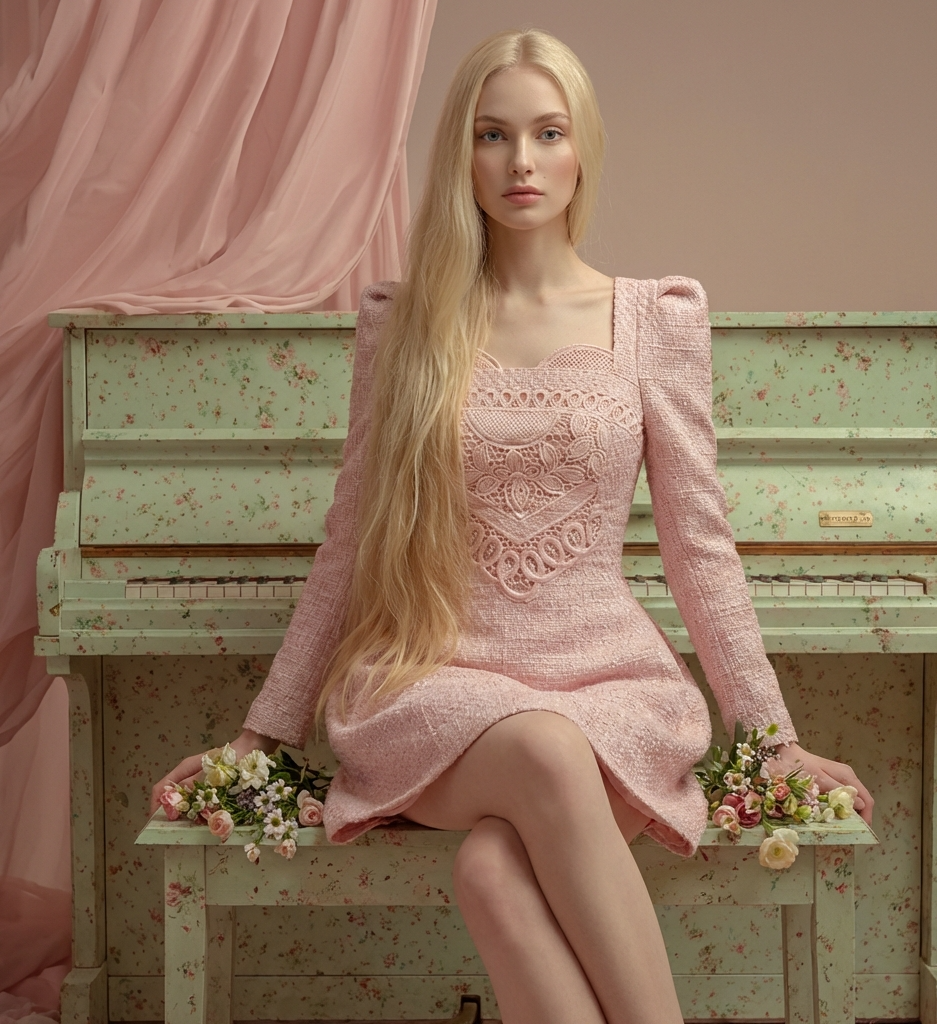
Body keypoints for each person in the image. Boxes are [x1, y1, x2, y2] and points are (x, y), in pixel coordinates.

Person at [151, 28, 874, 1024]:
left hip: (610, 688)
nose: (521, 161)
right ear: (462, 153)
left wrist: (773, 734)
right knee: (538, 750)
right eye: (493, 135)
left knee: (494, 870)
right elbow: (348, 544)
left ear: (582, 151)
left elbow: (698, 545)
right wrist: (260, 731)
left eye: (546, 132)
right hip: (431, 685)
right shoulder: (404, 323)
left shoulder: (651, 319)